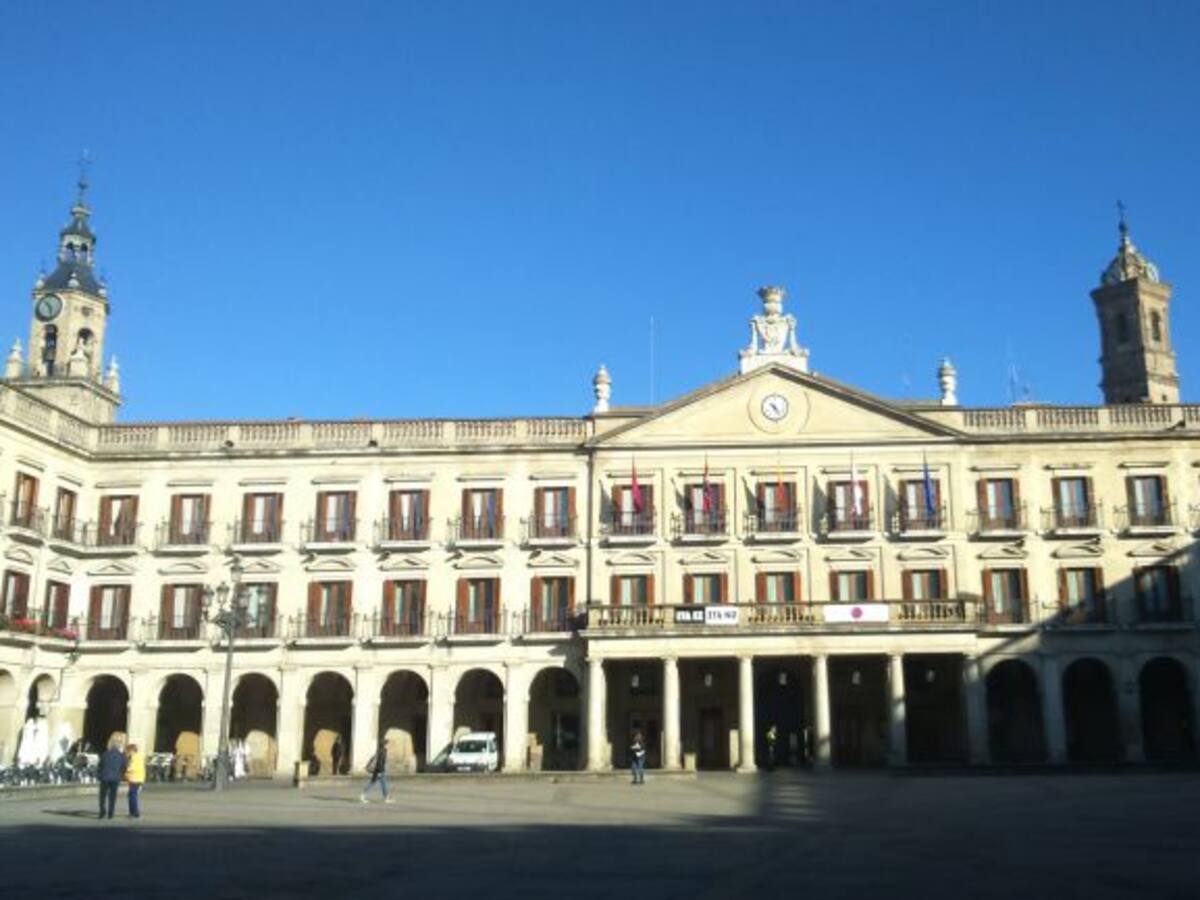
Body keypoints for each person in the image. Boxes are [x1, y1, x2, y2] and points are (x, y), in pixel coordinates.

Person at [97, 741, 127, 820]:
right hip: (115, 778)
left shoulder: (105, 754)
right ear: (118, 748)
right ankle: (111, 813)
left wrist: (100, 774)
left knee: (102, 796)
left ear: (110, 747)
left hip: (105, 777)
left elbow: (100, 765)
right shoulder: (122, 756)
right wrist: (120, 774)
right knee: (112, 796)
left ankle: (102, 812)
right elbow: (124, 767)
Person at [360, 737, 391, 804]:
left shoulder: (380, 750)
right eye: (387, 743)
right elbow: (380, 762)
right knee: (373, 783)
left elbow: (375, 759)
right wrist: (380, 771)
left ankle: (386, 798)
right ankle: (363, 795)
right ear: (384, 744)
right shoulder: (383, 751)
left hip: (379, 770)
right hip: (379, 770)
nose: (388, 745)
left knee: (383, 784)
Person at [124, 743, 146, 818]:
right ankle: (132, 812)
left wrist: (126, 769)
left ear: (132, 750)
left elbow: (131, 768)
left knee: (132, 796)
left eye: (128, 751)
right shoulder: (139, 757)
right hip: (138, 778)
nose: (127, 752)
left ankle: (135, 812)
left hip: (134, 779)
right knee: (131, 795)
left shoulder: (134, 757)